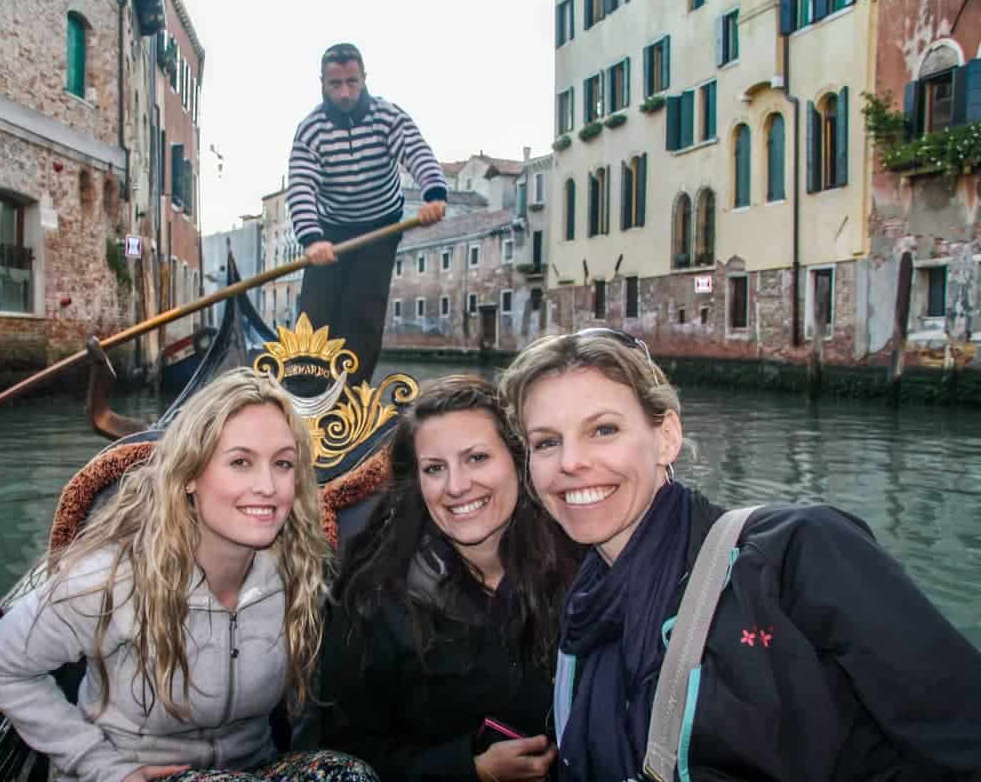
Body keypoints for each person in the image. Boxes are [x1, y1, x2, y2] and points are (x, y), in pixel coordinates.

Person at [498, 329, 981, 782]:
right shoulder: (582, 608)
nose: (570, 463)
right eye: (547, 442)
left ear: (666, 437)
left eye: (603, 429)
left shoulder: (797, 553)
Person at [0, 368, 377, 782]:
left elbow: (306, 711)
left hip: (249, 772)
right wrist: (103, 767)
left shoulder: (300, 572)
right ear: (190, 476)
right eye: (240, 462)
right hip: (125, 773)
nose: (268, 486)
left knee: (348, 773)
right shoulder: (111, 577)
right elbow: (0, 663)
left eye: (283, 464)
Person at [320, 375, 580, 781]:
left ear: (517, 460)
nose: (457, 486)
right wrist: (469, 769)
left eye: (477, 458)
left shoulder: (581, 563)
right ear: (418, 481)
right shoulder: (373, 597)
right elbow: (344, 755)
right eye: (435, 468)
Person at [287, 42, 448, 384]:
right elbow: (301, 187)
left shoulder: (387, 116)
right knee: (314, 317)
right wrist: (312, 239)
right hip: (331, 231)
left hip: (380, 227)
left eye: (352, 82)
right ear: (322, 84)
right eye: (336, 84)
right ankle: (303, 395)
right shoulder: (310, 130)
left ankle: (351, 397)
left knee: (363, 316)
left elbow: (416, 151)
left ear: (363, 79)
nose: (345, 93)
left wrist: (434, 192)